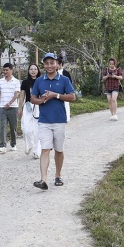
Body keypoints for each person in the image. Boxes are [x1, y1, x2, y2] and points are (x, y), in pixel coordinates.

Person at [30, 52, 76, 190]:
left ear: (57, 64)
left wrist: (55, 95)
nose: (49, 66)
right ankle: (43, 179)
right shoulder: (39, 81)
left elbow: (72, 97)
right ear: (43, 65)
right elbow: (33, 98)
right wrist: (42, 100)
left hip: (59, 121)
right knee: (45, 149)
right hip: (44, 121)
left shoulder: (64, 80)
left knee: (59, 150)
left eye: (52, 63)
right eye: (46, 63)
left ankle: (58, 175)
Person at [17, 63, 42, 159]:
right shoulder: (25, 82)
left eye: (35, 69)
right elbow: (22, 96)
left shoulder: (41, 81)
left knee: (37, 130)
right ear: (28, 71)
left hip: (38, 106)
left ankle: (37, 151)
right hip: (28, 107)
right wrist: (20, 108)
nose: (33, 71)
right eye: (31, 69)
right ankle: (29, 145)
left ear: (38, 70)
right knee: (26, 129)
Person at [0, 62, 20, 153]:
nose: (5, 71)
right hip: (3, 108)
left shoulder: (16, 81)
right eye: (4, 70)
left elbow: (16, 94)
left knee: (13, 127)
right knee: (3, 126)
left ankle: (13, 144)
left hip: (13, 107)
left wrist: (10, 103)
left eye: (7, 70)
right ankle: (2, 145)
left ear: (11, 70)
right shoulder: (0, 81)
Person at [57, 54, 72, 123]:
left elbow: (69, 83)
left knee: (66, 104)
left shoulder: (66, 73)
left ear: (60, 64)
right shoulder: (54, 73)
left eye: (57, 64)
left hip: (65, 92)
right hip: (56, 91)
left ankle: (67, 117)